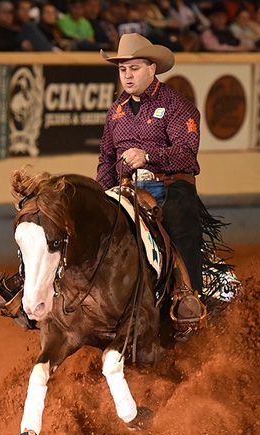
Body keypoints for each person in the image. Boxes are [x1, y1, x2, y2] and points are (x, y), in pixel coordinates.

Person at [98, 32, 205, 334]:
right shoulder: (116, 112)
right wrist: (102, 193)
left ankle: (188, 297)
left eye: (134, 68)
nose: (127, 75)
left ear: (152, 69)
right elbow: (106, 158)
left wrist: (147, 155)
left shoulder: (177, 106)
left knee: (180, 221)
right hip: (126, 190)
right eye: (123, 69)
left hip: (169, 186)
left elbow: (186, 154)